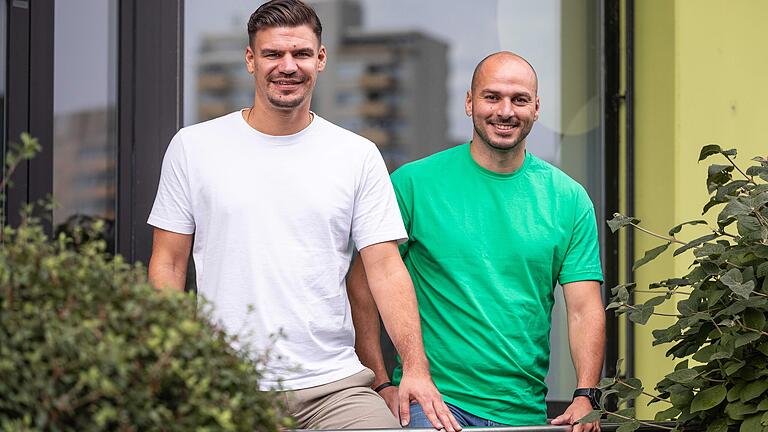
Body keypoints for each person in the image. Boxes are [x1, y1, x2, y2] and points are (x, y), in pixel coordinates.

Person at [146, 1, 460, 430]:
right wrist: (170, 360)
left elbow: (385, 269)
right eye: (273, 54)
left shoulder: (357, 155)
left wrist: (416, 369)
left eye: (301, 54)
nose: (287, 66)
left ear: (321, 58)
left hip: (334, 388)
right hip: (225, 384)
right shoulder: (193, 147)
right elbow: (168, 263)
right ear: (250, 60)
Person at [348, 51, 605, 432]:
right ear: (469, 103)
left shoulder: (568, 199)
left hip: (524, 412)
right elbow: (362, 282)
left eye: (519, 99)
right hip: (432, 405)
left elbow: (584, 308)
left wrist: (586, 395)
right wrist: (380, 380)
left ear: (536, 108)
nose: (505, 111)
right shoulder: (413, 184)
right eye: (492, 97)